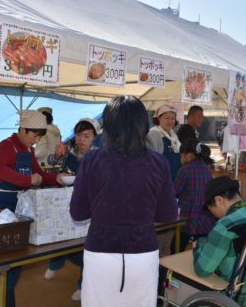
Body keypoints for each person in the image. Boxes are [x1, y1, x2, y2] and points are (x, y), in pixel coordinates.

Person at [69, 96, 178, 306]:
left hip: (100, 249)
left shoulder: (92, 160)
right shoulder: (158, 162)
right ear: (143, 124)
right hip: (142, 251)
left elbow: (78, 212)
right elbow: (168, 214)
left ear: (108, 125)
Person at [0, 110, 64, 307]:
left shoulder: (28, 151)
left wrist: (55, 179)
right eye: (34, 135)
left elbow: (38, 173)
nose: (36, 140)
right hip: (2, 209)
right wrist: (26, 180)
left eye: (40, 136)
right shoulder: (6, 145)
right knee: (3, 263)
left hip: (19, 209)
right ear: (23, 129)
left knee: (15, 262)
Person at [44, 117, 100, 301]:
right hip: (65, 199)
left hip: (88, 203)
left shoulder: (99, 155)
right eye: (78, 135)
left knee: (87, 245)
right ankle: (56, 262)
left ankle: (82, 285)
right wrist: (57, 156)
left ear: (94, 137)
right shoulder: (68, 150)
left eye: (86, 136)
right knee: (60, 236)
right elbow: (52, 162)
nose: (81, 140)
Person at [193, 176, 246, 305]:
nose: (213, 215)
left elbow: (202, 270)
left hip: (232, 297)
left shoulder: (225, 226)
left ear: (219, 200)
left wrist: (199, 245)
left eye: (211, 210)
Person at [173, 139, 216, 253]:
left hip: (188, 219)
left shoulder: (185, 170)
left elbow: (174, 192)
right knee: (199, 251)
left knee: (175, 250)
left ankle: (174, 270)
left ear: (189, 155)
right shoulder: (208, 170)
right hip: (206, 220)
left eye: (182, 155)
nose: (181, 158)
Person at [147, 104, 181, 181]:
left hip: (174, 179)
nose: (170, 121)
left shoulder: (173, 135)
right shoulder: (154, 134)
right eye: (166, 118)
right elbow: (150, 161)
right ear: (158, 118)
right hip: (161, 180)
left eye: (173, 118)